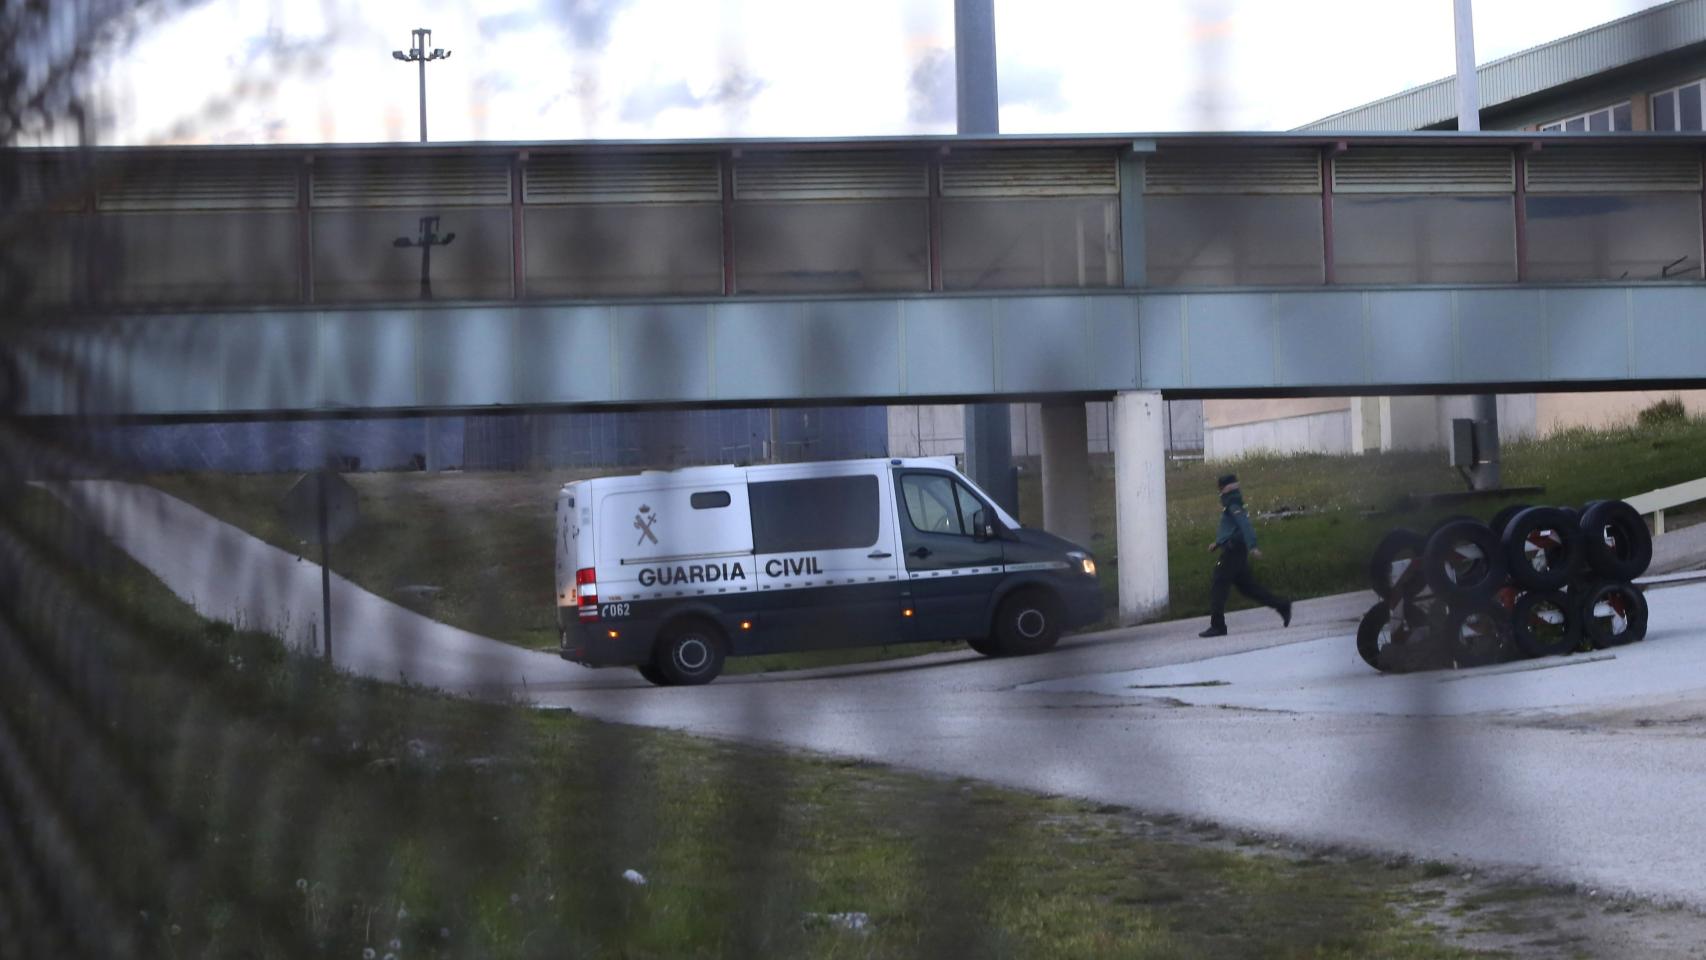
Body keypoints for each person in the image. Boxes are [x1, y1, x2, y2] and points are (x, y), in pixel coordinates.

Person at [1199, 473, 1291, 638]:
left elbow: (1245, 525)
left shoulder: (1233, 504)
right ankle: (1282, 605)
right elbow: (1232, 529)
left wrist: (1253, 546)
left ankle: (1218, 626)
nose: (1219, 492)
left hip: (1233, 552)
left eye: (1220, 488)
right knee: (1249, 589)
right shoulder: (1232, 503)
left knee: (1218, 585)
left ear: (1224, 488)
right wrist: (1218, 543)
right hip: (1234, 550)